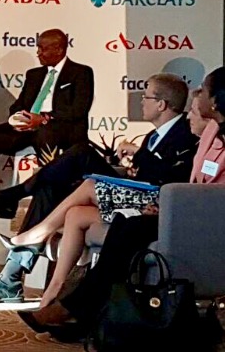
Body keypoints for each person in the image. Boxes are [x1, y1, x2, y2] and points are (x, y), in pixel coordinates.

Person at [19, 72, 225, 336]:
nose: (196, 99)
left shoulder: (193, 134)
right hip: (177, 210)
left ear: (216, 101)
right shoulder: (211, 132)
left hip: (203, 220)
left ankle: (77, 309)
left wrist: (174, 205)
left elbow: (205, 191)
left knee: (126, 223)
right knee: (121, 222)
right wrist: (168, 204)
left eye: (204, 91)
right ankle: (88, 312)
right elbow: (191, 181)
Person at [0, 73, 198, 304]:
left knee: (82, 153)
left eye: (145, 97)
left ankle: (17, 206)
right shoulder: (152, 136)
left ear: (161, 104)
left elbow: (174, 178)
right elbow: (146, 172)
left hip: (152, 204)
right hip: (132, 192)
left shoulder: (186, 134)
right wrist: (130, 167)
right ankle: (13, 277)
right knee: (49, 188)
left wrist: (140, 154)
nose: (141, 101)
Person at [0, 29, 94, 197]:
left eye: (43, 49)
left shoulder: (81, 73)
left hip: (61, 129)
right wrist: (19, 118)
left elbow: (78, 110)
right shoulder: (34, 75)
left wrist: (43, 118)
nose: (38, 53)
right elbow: (18, 105)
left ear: (59, 49)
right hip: (28, 128)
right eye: (38, 48)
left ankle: (50, 194)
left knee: (44, 133)